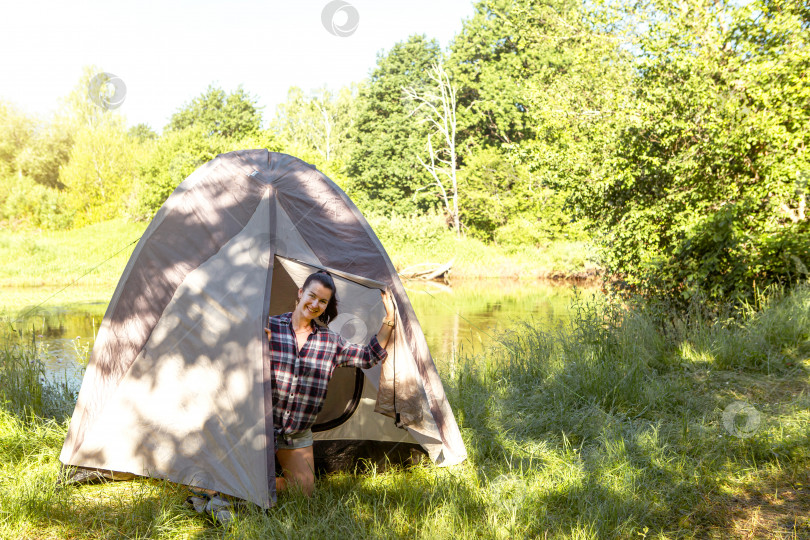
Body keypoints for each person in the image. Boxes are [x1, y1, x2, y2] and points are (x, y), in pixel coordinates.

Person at [264, 270, 396, 496]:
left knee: (303, 491)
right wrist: (255, 344)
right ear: (300, 293)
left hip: (296, 431)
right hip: (261, 426)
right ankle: (240, 485)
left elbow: (368, 357)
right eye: (312, 295)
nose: (315, 304)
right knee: (232, 475)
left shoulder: (329, 341)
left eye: (323, 301)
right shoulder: (268, 327)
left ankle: (255, 485)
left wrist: (390, 319)